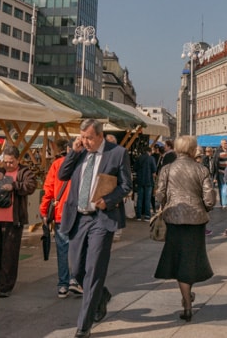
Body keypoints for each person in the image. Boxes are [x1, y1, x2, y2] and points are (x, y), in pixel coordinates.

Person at [58, 118, 132, 338]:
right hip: (78, 218)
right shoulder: (79, 152)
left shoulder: (117, 153)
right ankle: (101, 295)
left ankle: (83, 325)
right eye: (83, 137)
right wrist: (73, 151)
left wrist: (108, 201)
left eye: (89, 137)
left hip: (101, 218)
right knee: (77, 272)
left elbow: (126, 185)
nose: (86, 141)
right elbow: (62, 175)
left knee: (94, 270)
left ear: (100, 135)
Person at [153, 134, 215, 322]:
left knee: (179, 259)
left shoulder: (167, 169)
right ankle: (188, 301)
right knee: (191, 259)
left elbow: (159, 195)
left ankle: (187, 300)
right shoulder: (201, 169)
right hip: (196, 220)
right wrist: (204, 208)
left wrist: (166, 202)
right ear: (192, 149)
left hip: (174, 219)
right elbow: (210, 199)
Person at [0, 145, 38, 297]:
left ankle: (6, 286)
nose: (8, 165)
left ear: (18, 160)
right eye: (5, 162)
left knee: (9, 254)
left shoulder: (25, 172)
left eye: (11, 162)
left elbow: (30, 186)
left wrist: (13, 186)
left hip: (13, 219)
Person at [41, 138, 82, 298]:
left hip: (60, 212)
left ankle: (63, 284)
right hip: (79, 213)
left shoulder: (57, 164)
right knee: (77, 248)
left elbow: (48, 189)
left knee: (63, 249)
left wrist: (44, 211)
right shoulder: (82, 165)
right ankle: (75, 280)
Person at [133, 147, 156, 221]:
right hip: (148, 181)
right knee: (147, 199)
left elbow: (135, 168)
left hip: (140, 181)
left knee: (140, 198)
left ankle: (139, 216)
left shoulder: (139, 158)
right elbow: (154, 169)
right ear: (149, 152)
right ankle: (147, 215)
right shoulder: (151, 158)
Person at [212, 138, 227, 207]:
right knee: (223, 187)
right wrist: (214, 176)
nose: (226, 144)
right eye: (224, 143)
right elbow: (214, 164)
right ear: (221, 144)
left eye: (226, 143)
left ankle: (226, 202)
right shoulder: (218, 151)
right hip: (221, 172)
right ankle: (223, 203)